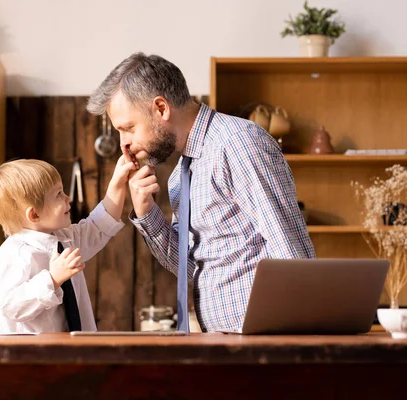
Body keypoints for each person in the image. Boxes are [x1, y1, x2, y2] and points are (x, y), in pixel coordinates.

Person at [87, 52, 316, 333]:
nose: (125, 145)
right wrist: (147, 214)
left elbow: (289, 247)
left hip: (264, 344)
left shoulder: (237, 144)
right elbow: (187, 267)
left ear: (161, 108)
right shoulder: (179, 176)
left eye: (128, 128)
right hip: (224, 343)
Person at [0, 157, 136, 333]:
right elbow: (11, 306)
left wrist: (118, 182)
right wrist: (52, 279)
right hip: (36, 357)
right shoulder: (11, 254)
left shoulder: (65, 238)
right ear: (34, 215)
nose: (68, 198)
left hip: (77, 352)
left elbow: (99, 225)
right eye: (58, 194)